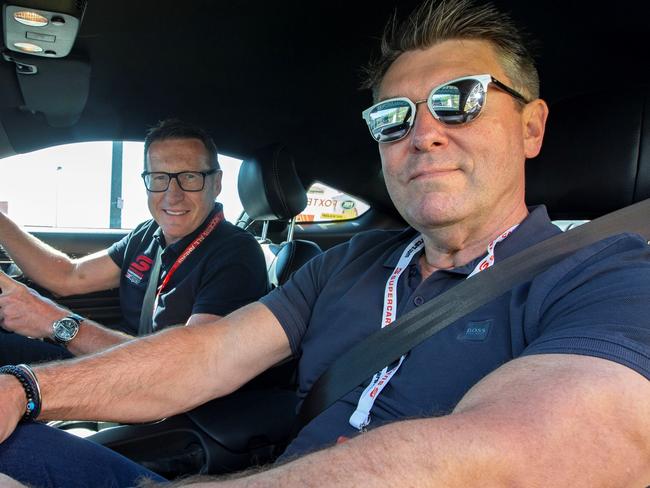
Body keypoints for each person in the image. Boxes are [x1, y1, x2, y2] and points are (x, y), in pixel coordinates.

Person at [1, 0, 649, 486]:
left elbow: (527, 447)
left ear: (532, 127)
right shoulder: (350, 262)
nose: (423, 134)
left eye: (459, 99)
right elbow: (209, 352)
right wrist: (27, 389)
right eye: (394, 116)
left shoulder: (608, 275)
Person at [0, 119, 268, 363]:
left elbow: (186, 367)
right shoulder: (148, 234)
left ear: (217, 183)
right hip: (118, 366)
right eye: (160, 178)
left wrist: (53, 321)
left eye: (189, 177)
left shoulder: (236, 253)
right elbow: (70, 275)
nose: (172, 195)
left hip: (161, 394)